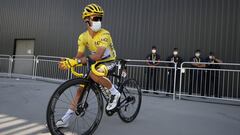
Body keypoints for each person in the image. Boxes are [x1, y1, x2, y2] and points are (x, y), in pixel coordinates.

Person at [56, 3, 120, 128]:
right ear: (87, 20)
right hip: (95, 62)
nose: (99, 21)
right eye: (95, 18)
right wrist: (70, 61)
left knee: (94, 73)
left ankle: (114, 92)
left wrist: (75, 62)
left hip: (108, 61)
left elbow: (98, 56)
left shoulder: (105, 34)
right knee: (80, 90)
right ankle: (66, 119)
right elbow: (79, 56)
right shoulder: (82, 37)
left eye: (100, 18)